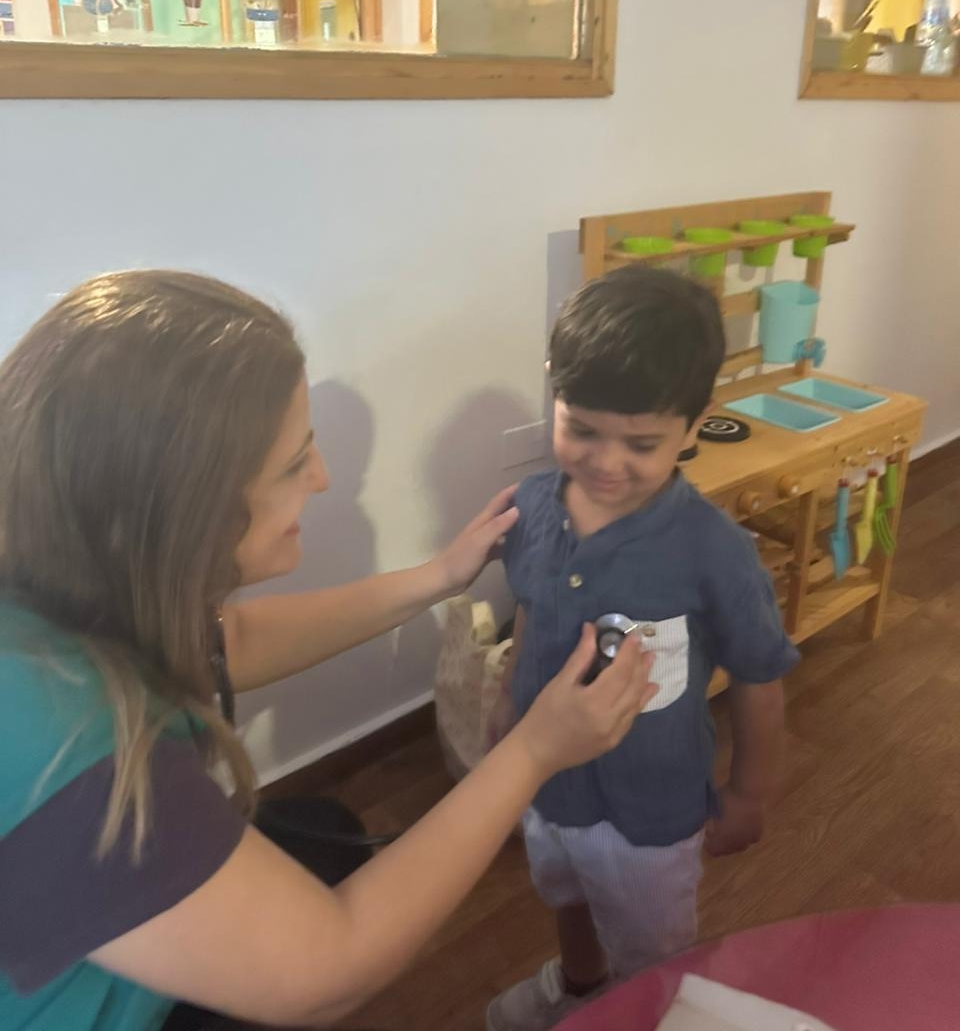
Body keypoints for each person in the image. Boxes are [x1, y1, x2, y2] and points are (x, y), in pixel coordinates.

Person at [0, 270, 658, 1031]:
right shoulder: (50, 736)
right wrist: (535, 750)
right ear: (174, 509)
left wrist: (437, 576)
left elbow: (227, 643)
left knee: (324, 830)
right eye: (293, 463)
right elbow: (327, 968)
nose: (322, 478)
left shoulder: (63, 573)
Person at [486, 265, 799, 1031]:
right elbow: (530, 610)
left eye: (642, 443)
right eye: (583, 429)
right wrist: (502, 704)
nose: (605, 462)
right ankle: (579, 983)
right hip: (545, 780)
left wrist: (749, 793)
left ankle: (643, 1016)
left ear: (694, 428)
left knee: (654, 954)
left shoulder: (714, 552)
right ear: (556, 392)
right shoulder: (532, 507)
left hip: (649, 816)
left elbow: (759, 680)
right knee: (563, 895)